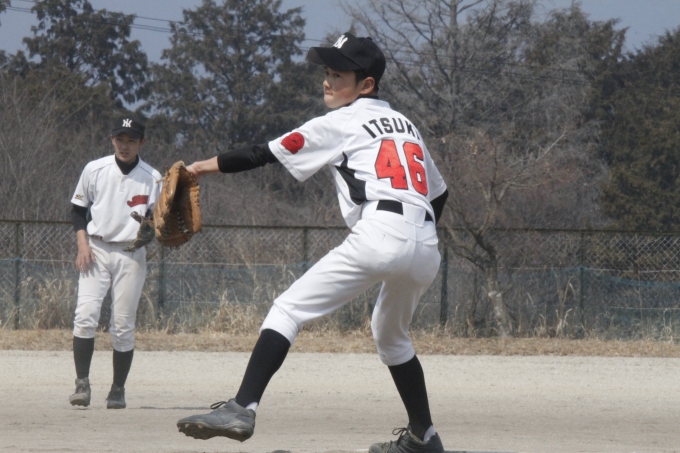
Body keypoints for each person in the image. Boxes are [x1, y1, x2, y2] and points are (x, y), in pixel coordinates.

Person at [176, 32, 449, 453]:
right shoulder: (406, 126)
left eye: (338, 74)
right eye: (327, 72)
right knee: (391, 337)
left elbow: (263, 153)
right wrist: (415, 239)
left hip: (380, 232)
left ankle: (242, 407)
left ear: (366, 85)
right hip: (426, 244)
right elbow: (439, 193)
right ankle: (423, 437)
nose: (327, 80)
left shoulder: (342, 121)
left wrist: (201, 167)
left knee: (288, 309)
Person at [68, 116, 161, 409]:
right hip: (95, 248)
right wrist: (82, 244)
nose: (124, 145)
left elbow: (159, 220)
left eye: (131, 140)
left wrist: (157, 229)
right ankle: (82, 384)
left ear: (142, 142)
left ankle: (117, 389)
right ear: (111, 139)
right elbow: (77, 210)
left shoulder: (153, 177)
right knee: (85, 315)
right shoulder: (95, 169)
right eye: (120, 139)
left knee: (122, 324)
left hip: (131, 253)